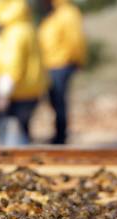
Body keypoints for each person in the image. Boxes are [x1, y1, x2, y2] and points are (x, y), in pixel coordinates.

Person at [0, 0, 48, 145]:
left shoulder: (14, 32)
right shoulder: (28, 27)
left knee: (13, 135)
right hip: (31, 89)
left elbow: (12, 64)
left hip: (19, 91)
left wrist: (3, 93)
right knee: (23, 129)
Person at [39, 0, 86, 144]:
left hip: (61, 63)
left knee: (59, 101)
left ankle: (61, 136)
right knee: (54, 101)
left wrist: (78, 60)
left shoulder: (68, 13)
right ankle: (58, 134)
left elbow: (75, 40)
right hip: (50, 63)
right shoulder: (54, 13)